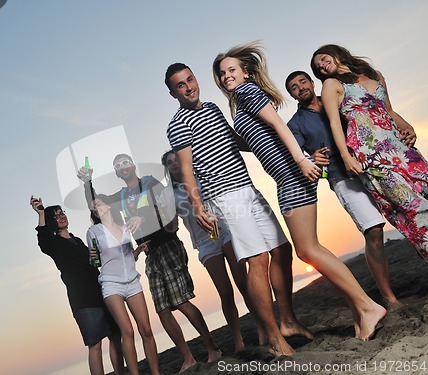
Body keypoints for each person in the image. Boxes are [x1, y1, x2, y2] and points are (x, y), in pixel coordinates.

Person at [212, 41, 386, 341]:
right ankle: (360, 312)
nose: (226, 75)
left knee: (308, 249)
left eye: (231, 70)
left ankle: (368, 307)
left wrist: (300, 160)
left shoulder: (247, 92)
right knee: (311, 247)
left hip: (292, 175)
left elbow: (279, 125)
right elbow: (257, 140)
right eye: (222, 72)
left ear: (245, 72)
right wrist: (227, 135)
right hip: (287, 175)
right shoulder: (241, 101)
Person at [166, 63, 313, 357]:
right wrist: (197, 206)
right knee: (257, 260)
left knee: (281, 251)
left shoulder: (214, 110)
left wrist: (267, 140)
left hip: (247, 188)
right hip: (223, 197)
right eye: (180, 85)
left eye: (190, 80)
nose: (188, 87)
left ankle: (287, 321)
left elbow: (236, 142)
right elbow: (186, 169)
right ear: (173, 93)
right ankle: (273, 338)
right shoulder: (177, 124)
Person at [78, 155, 221, 372]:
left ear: (133, 165)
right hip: (150, 254)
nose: (122, 167)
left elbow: (166, 209)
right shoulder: (122, 196)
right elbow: (96, 202)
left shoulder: (150, 183)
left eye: (125, 163)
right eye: (118, 166)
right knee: (163, 310)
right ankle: (188, 357)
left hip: (168, 245)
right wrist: (87, 182)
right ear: (117, 173)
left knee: (182, 302)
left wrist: (143, 218)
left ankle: (212, 349)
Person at [285, 70, 401, 308]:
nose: (300, 87)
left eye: (302, 81)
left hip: (372, 165)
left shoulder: (337, 100)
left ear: (311, 82)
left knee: (407, 215)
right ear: (292, 95)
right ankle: (389, 298)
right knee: (374, 230)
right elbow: (298, 157)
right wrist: (312, 157)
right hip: (341, 178)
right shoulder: (295, 124)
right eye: (294, 87)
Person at [311, 44, 428, 262]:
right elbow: (335, 124)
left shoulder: (375, 75)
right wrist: (346, 157)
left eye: (324, 59)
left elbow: (389, 110)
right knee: (414, 208)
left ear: (337, 53)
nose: (322, 66)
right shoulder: (331, 85)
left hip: (402, 148)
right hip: (373, 154)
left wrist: (408, 127)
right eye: (318, 67)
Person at [161, 149, 267, 352]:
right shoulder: (170, 194)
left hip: (224, 231)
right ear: (167, 168)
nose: (174, 164)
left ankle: (262, 328)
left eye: (176, 159)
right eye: (170, 162)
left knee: (243, 283)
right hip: (205, 242)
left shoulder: (198, 177)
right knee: (225, 293)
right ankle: (238, 340)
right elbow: (172, 227)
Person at [29, 196, 124, 375]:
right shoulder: (53, 243)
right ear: (51, 223)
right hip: (83, 300)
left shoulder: (78, 240)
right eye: (55, 216)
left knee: (115, 336)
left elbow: (93, 264)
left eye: (61, 213)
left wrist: (95, 257)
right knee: (95, 344)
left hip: (101, 292)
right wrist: (41, 213)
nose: (61, 217)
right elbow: (42, 238)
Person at [86, 194, 160, 375]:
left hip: (133, 282)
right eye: (93, 207)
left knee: (147, 330)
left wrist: (138, 250)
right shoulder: (94, 231)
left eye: (99, 204)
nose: (96, 208)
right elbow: (96, 262)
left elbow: (128, 257)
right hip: (111, 285)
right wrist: (93, 257)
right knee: (127, 331)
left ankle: (156, 373)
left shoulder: (125, 227)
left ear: (109, 206)